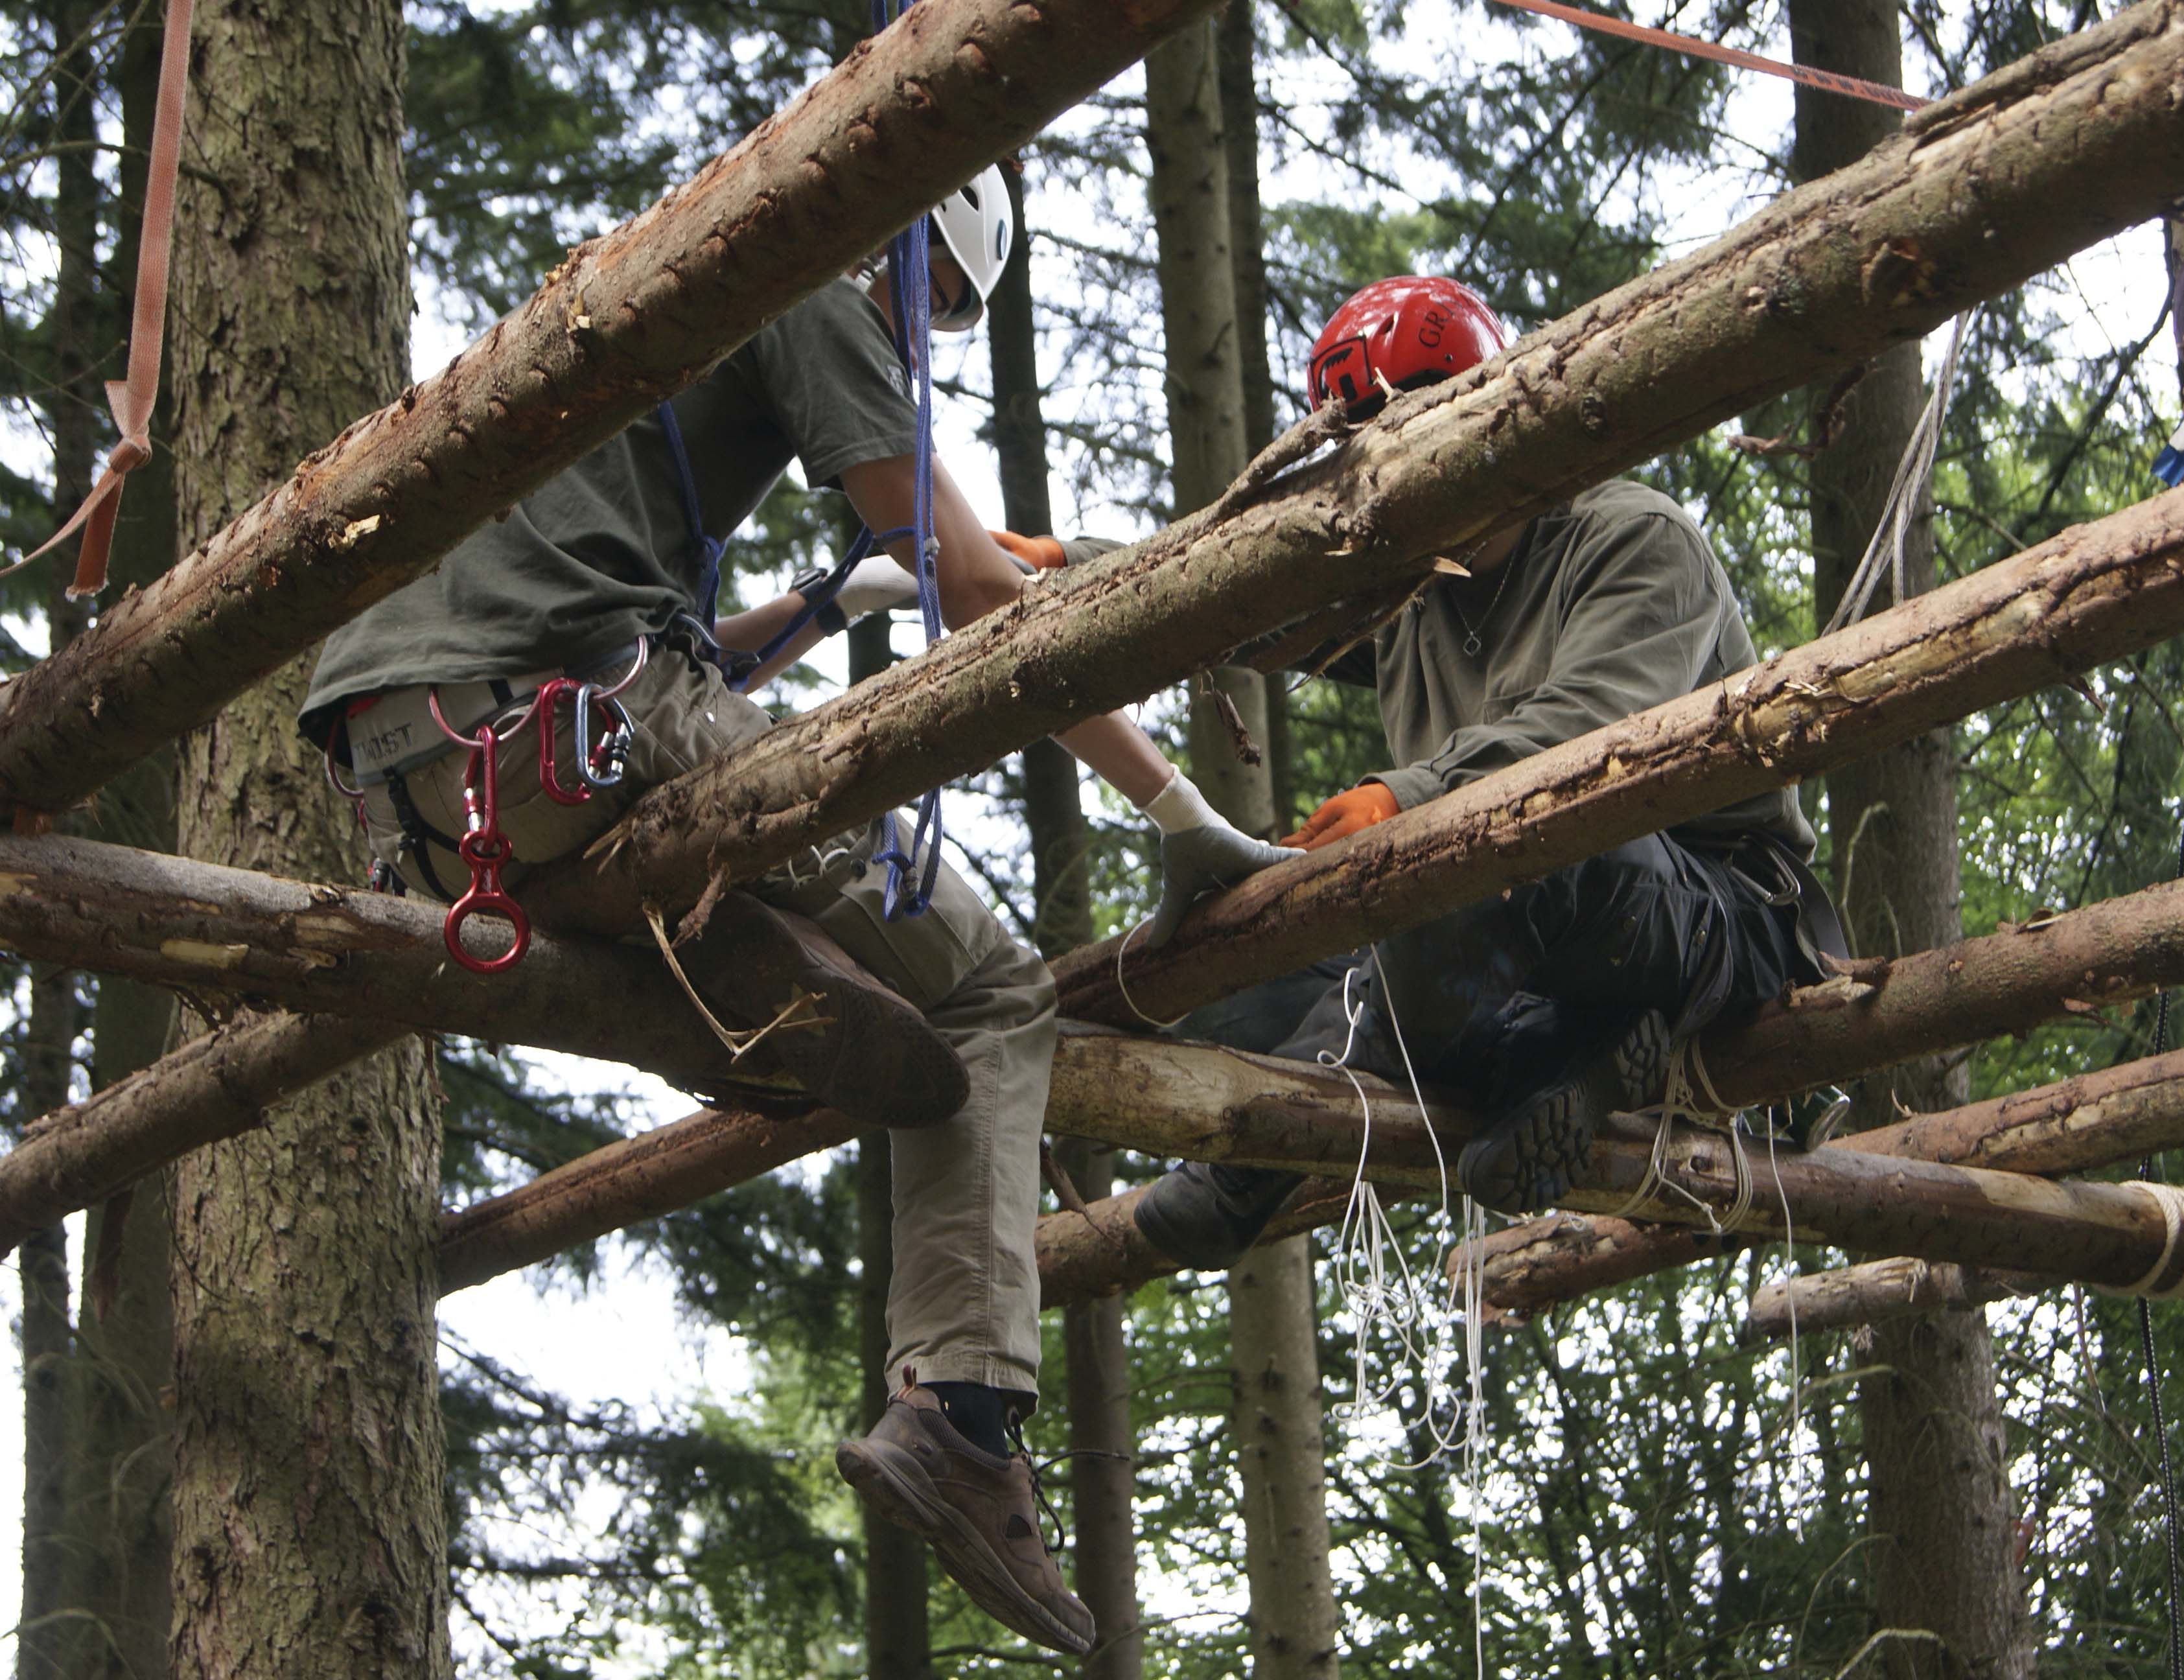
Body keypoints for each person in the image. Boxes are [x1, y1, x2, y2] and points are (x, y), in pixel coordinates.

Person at [301, 166, 1291, 1659]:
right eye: (938, 310)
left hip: (441, 793)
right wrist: (1177, 809)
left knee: (771, 920)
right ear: (915, 253)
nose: (922, 347)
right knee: (993, 987)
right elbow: (973, 577)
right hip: (578, 715)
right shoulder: (820, 279)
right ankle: (962, 1408)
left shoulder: (638, 347)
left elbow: (708, 646)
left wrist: (832, 606)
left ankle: (751, 966)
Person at [1131, 275, 1846, 1269]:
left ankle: (1259, 1164)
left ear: (1496, 416)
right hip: (1492, 904)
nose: (1416, 475)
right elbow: (1256, 602)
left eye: (1432, 436)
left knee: (1492, 860)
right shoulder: (1413, 596)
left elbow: (1594, 737)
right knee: (1241, 983)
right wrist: (1068, 570)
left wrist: (1401, 800)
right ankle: (1561, 1060)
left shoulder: (1635, 536)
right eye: (1382, 454)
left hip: (1701, 906)